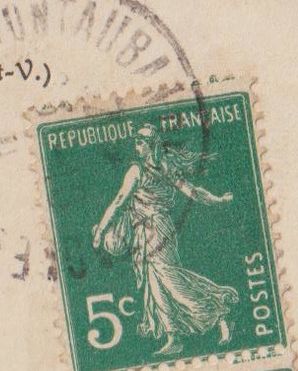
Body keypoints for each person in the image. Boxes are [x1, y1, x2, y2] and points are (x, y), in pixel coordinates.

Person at [91, 123, 239, 357]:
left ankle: (218, 311)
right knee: (156, 286)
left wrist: (101, 230)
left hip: (157, 228)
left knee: (170, 278)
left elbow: (120, 201)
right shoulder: (162, 167)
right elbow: (192, 192)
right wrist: (218, 200)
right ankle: (174, 337)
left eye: (140, 142)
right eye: (136, 142)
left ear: (149, 145)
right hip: (147, 230)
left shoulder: (138, 171)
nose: (136, 146)